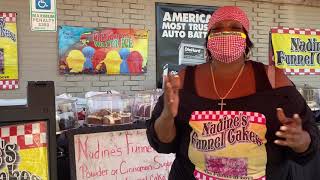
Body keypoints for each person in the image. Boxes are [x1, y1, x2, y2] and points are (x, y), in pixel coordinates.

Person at [146, 6, 320, 180]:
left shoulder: (274, 79)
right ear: (208, 40)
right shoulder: (184, 80)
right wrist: (167, 116)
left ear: (246, 40)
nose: (225, 34)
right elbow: (163, 143)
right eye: (217, 29)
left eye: (235, 28)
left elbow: (308, 140)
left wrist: (301, 140)